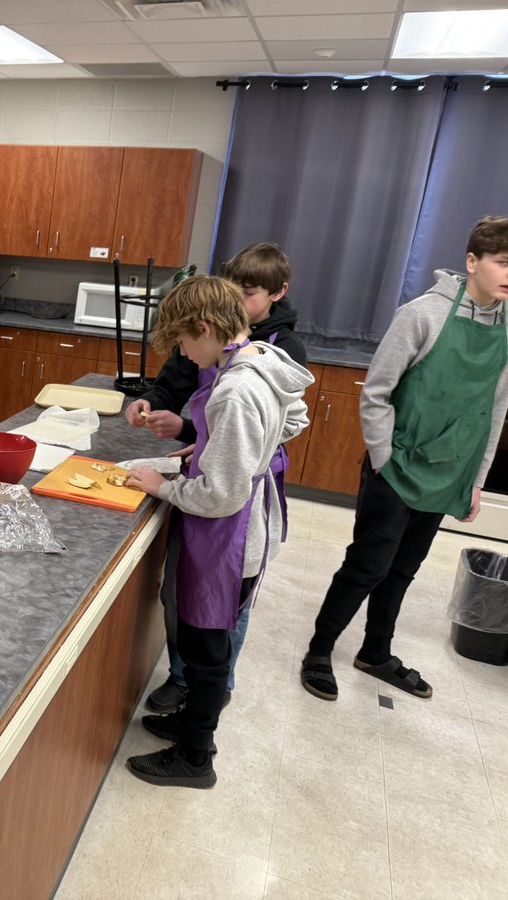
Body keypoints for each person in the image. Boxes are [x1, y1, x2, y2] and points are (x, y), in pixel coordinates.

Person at [301, 215, 508, 702]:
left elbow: (495, 409)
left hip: (447, 473)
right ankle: (319, 650)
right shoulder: (421, 315)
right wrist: (383, 459)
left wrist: (475, 478)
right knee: (367, 566)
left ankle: (375, 653)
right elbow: (376, 393)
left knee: (403, 569)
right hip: (396, 468)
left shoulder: (506, 328)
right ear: (472, 261)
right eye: (503, 262)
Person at [124, 275, 311, 788]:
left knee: (208, 651)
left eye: (183, 343)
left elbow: (222, 495)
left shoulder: (234, 388)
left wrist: (161, 486)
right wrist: (216, 447)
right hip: (244, 520)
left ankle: (195, 757)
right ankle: (189, 724)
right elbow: (293, 417)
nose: (184, 353)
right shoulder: (256, 361)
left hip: (230, 533)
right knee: (206, 640)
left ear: (204, 328)